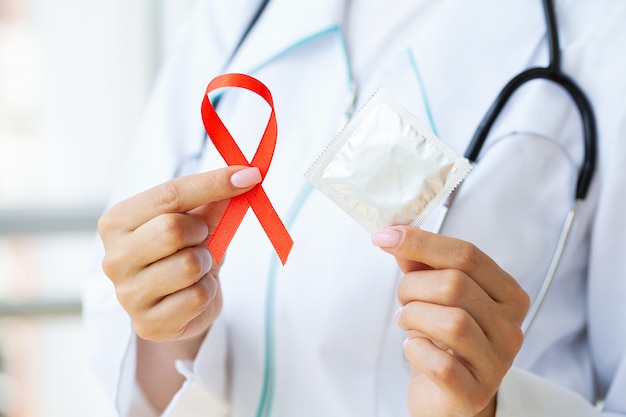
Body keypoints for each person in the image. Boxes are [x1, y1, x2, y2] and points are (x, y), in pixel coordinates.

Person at [82, 0, 626, 416]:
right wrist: (166, 318)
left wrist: (493, 408)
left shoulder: (601, 38)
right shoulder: (237, 16)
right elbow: (127, 337)